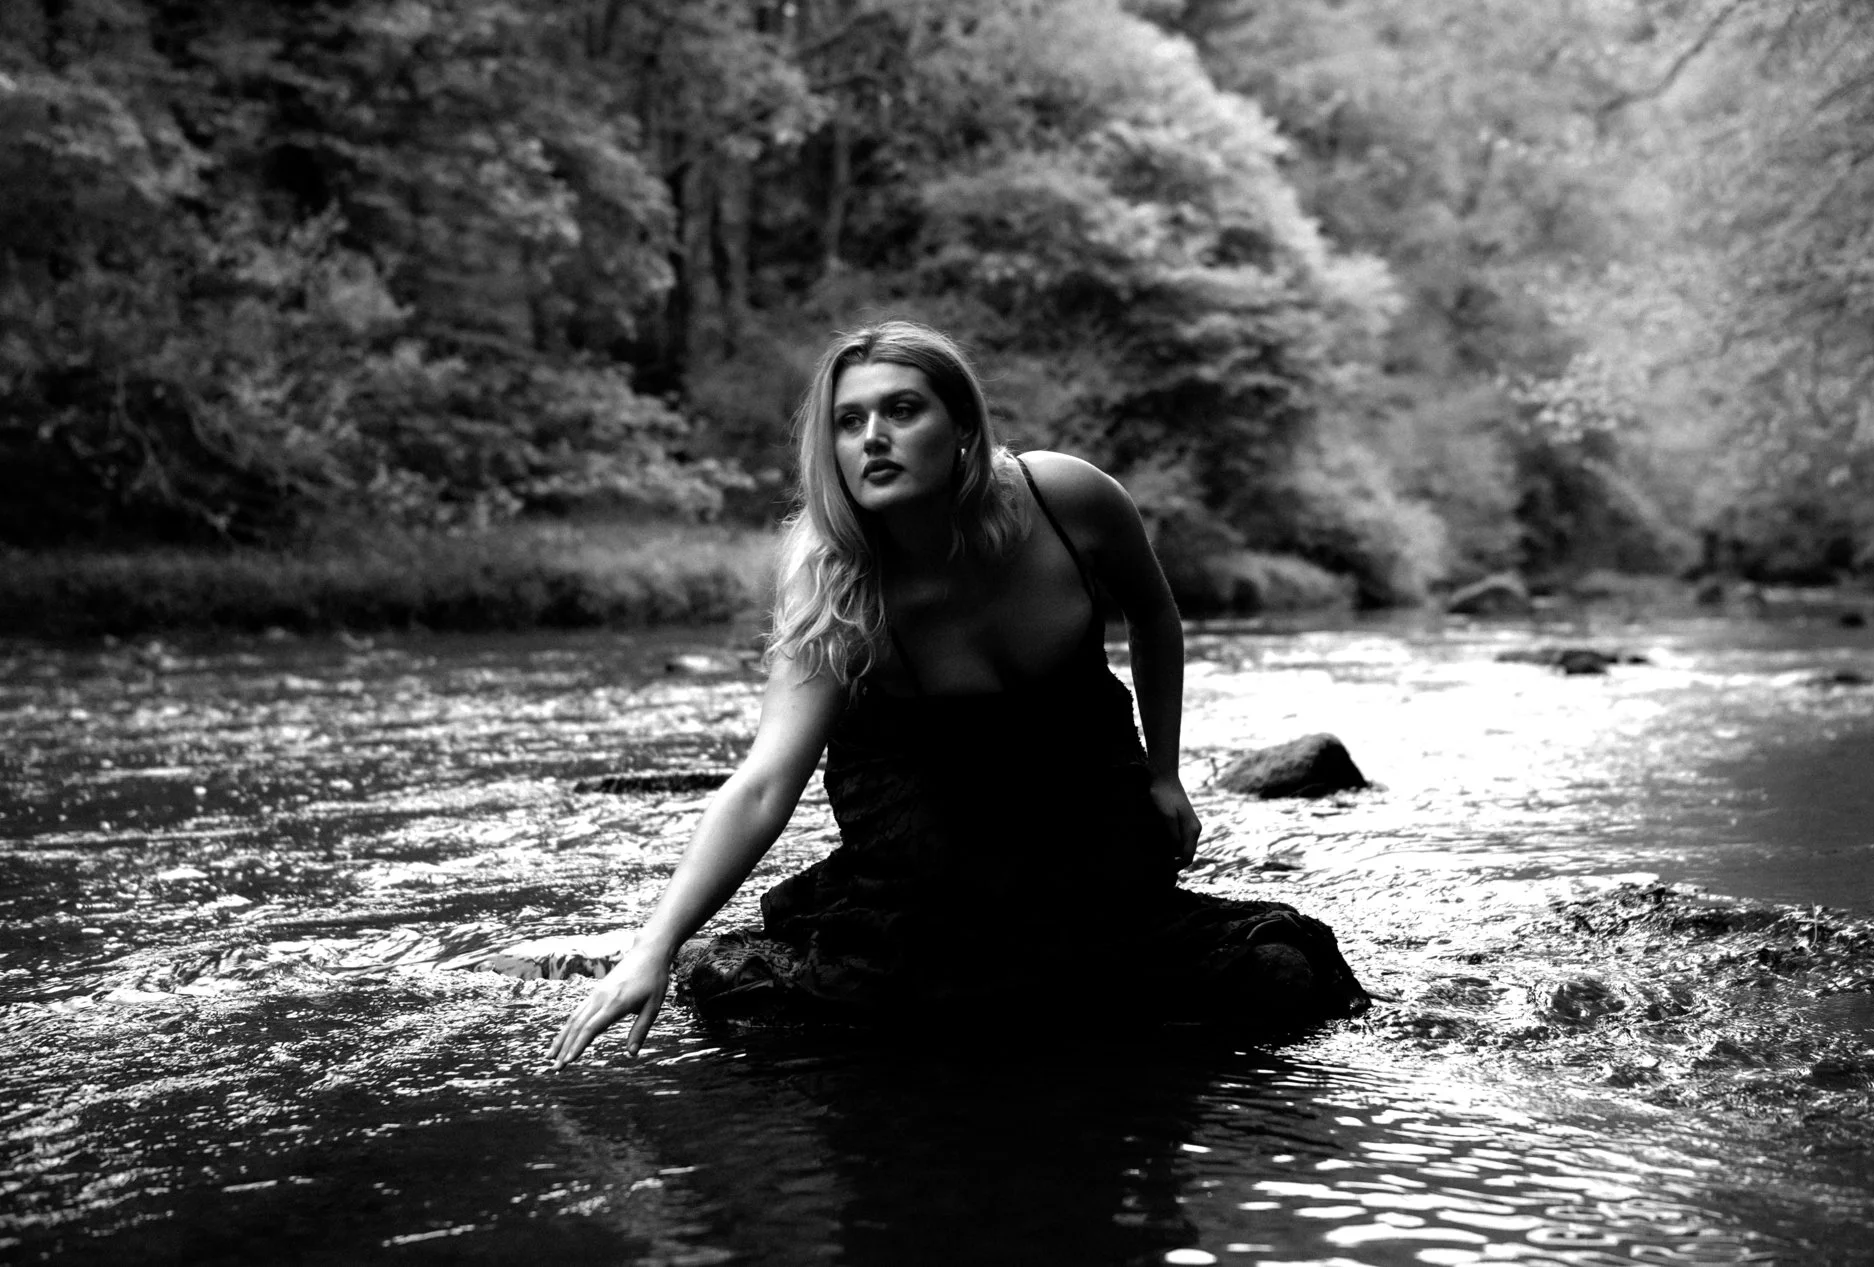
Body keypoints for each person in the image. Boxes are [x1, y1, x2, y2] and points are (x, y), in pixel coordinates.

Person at [548, 321, 1366, 1068]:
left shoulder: (1065, 497)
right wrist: (654, 942)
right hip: (934, 889)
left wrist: (1165, 773)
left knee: (1282, 978)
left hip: (1091, 850)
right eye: (849, 419)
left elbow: (1155, 614)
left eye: (902, 410)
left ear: (963, 425)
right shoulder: (830, 575)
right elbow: (765, 782)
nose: (873, 437)